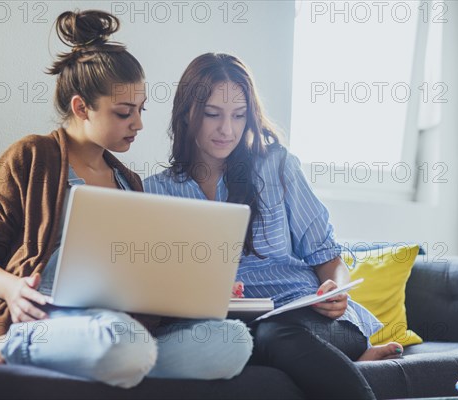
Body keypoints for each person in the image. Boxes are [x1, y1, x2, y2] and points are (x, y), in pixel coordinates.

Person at [0, 14, 252, 388]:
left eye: (141, 110)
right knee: (124, 341)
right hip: (46, 318)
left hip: (118, 326)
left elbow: (140, 273)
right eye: (124, 113)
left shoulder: (128, 181)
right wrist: (11, 288)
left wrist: (190, 289)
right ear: (81, 107)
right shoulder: (31, 156)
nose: (138, 124)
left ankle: (119, 362)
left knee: (232, 341)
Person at [144, 52, 403, 399]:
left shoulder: (277, 168)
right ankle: (345, 363)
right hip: (223, 328)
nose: (227, 129)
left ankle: (347, 353)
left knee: (272, 334)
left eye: (238, 116)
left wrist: (337, 289)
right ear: (187, 113)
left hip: (309, 318)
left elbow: (328, 256)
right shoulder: (154, 191)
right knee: (237, 341)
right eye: (212, 115)